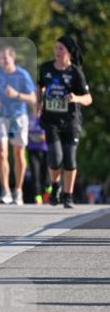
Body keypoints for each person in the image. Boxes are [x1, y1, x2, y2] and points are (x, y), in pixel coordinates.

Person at [38, 35, 92, 209]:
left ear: (69, 53)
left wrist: (75, 97)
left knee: (69, 159)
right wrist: (38, 105)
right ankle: (55, 185)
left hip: (71, 121)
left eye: (61, 48)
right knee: (55, 158)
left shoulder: (75, 72)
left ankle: (68, 196)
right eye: (56, 48)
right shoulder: (46, 68)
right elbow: (39, 87)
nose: (57, 51)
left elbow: (88, 98)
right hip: (51, 120)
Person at [0, 46, 36, 205]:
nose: (3, 61)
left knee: (18, 153)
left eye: (6, 58)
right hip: (0, 116)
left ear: (12, 58)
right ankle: (5, 190)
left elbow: (33, 98)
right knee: (2, 153)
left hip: (18, 117)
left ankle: (18, 189)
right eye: (0, 58)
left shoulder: (22, 75)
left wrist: (17, 95)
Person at [26, 108, 49, 204]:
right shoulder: (29, 118)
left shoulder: (47, 117)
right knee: (35, 173)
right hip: (32, 150)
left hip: (46, 150)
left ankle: (47, 193)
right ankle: (37, 196)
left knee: (46, 174)